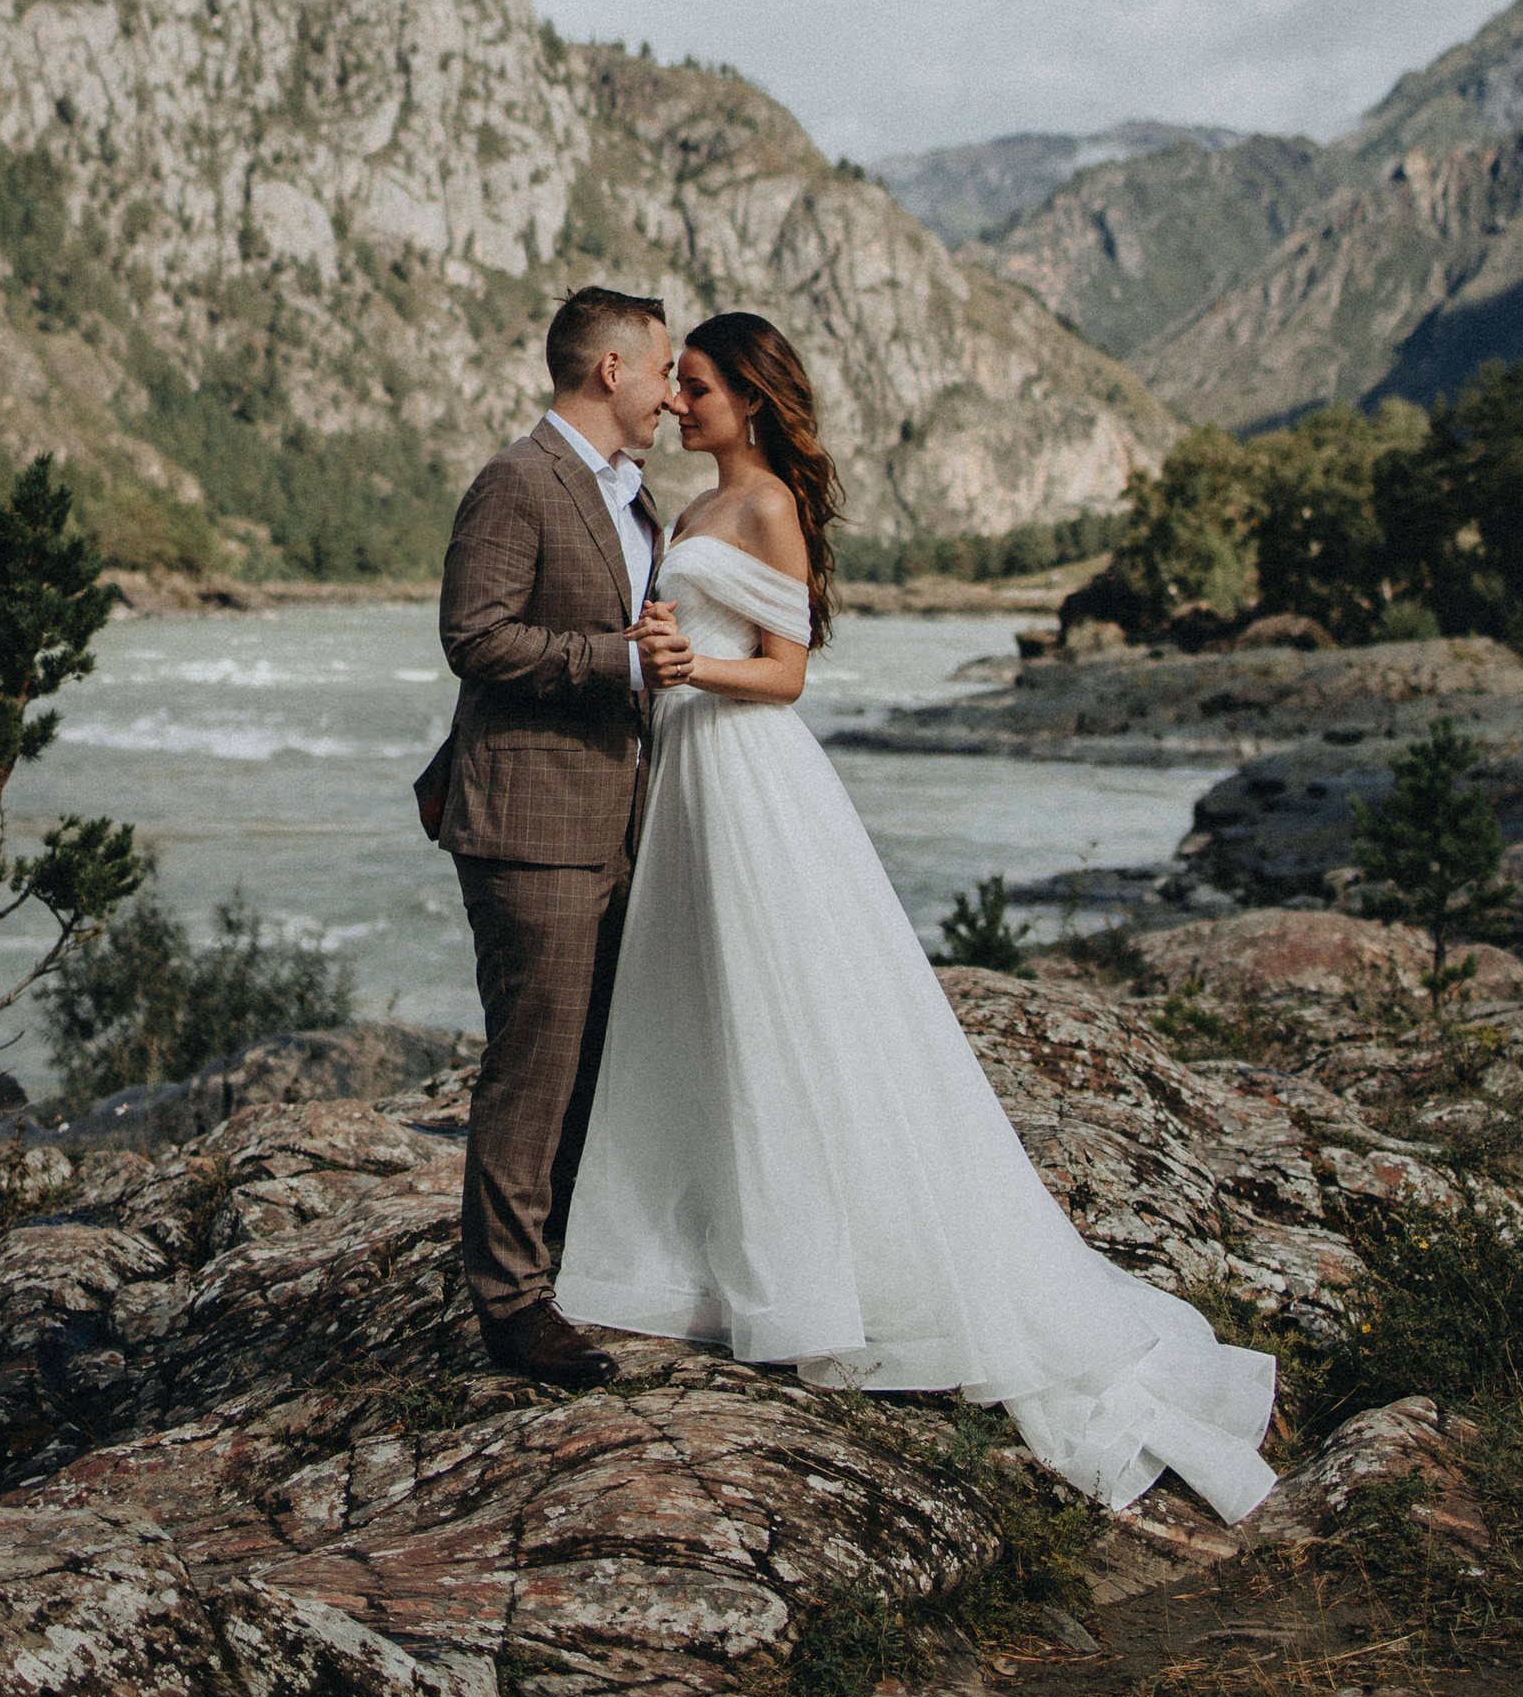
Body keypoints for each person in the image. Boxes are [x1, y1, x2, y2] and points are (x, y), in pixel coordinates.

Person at [554, 312, 1278, 1522]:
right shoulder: (683, 518)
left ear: (752, 399)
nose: (678, 404)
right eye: (673, 386)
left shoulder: (771, 506)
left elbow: (785, 672)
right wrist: (659, 652)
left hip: (750, 768)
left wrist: (692, 669)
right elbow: (696, 640)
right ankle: (723, 1248)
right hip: (687, 773)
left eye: (698, 388)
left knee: (785, 1008)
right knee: (699, 1008)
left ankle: (826, 1268)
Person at [422, 284, 690, 1388]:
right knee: (532, 1068)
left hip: (621, 815)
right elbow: (473, 637)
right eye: (666, 373)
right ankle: (510, 1304)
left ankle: (573, 1262)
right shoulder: (516, 482)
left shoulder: (634, 502)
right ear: (613, 370)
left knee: (595, 1061)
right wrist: (617, 658)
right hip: (530, 820)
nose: (675, 397)